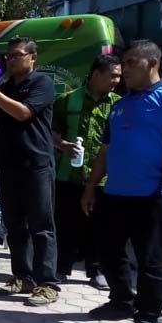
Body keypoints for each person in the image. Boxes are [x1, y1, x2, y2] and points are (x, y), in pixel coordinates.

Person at [81, 40, 162, 323]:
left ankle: (147, 315)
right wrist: (91, 187)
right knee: (108, 251)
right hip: (114, 192)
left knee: (150, 259)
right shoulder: (120, 104)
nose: (123, 69)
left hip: (153, 194)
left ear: (152, 63)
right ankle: (121, 301)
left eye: (130, 63)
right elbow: (105, 151)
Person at [0, 36, 60, 306]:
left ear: (33, 57)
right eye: (9, 56)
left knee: (41, 226)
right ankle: (23, 276)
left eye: (17, 55)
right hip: (8, 166)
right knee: (14, 226)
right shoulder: (4, 86)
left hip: (36, 166)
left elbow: (23, 113)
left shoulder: (42, 84)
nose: (11, 59)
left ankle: (48, 284)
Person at [52, 54, 122, 289]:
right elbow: (52, 133)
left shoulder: (119, 104)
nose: (116, 80)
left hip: (103, 178)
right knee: (65, 224)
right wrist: (62, 145)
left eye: (119, 76)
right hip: (67, 175)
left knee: (99, 227)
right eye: (113, 75)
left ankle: (96, 270)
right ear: (96, 74)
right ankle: (61, 268)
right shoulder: (66, 100)